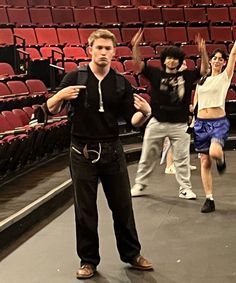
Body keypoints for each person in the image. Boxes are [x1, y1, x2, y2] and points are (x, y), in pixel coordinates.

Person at [46, 29, 153, 279]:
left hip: (112, 151)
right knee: (85, 210)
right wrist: (60, 94)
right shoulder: (75, 77)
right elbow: (50, 109)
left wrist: (146, 112)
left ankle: (132, 254)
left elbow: (133, 121)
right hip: (81, 152)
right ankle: (88, 261)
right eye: (99, 48)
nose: (103, 52)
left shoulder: (120, 82)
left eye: (108, 49)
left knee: (123, 206)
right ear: (90, 50)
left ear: (114, 53)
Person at [131, 29, 209, 199]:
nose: (171, 61)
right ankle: (140, 184)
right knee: (147, 155)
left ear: (180, 61)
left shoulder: (187, 76)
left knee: (182, 159)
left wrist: (202, 52)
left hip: (180, 124)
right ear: (164, 60)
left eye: (175, 58)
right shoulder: (156, 74)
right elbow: (138, 63)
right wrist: (135, 46)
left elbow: (204, 70)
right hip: (157, 122)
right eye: (169, 58)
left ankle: (185, 188)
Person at [193, 43, 236, 213]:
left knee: (214, 153)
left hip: (218, 122)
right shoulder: (202, 80)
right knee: (205, 161)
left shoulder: (225, 77)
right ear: (210, 61)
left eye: (220, 59)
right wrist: (192, 119)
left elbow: (233, 55)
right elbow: (196, 100)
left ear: (224, 63)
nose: (217, 61)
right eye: (215, 58)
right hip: (200, 123)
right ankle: (209, 198)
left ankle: (222, 159)